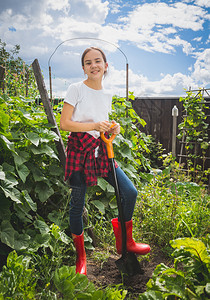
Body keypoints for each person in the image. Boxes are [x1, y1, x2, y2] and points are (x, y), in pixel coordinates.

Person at [60, 46, 151, 276]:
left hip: (101, 149)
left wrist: (113, 127)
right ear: (83, 68)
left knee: (129, 192)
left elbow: (102, 123)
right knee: (77, 205)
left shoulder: (107, 94)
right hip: (80, 151)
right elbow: (65, 124)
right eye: (88, 62)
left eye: (98, 61)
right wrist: (94, 125)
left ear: (106, 65)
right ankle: (81, 258)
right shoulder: (76, 89)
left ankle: (125, 242)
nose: (94, 66)